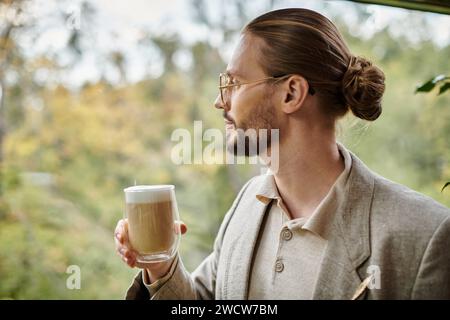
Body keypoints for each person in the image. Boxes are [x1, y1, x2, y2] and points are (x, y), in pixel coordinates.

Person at [114, 8, 450, 300]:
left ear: (291, 93)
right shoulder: (249, 200)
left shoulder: (424, 236)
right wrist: (161, 266)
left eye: (233, 83)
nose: (220, 101)